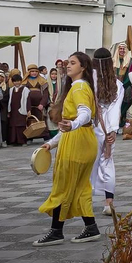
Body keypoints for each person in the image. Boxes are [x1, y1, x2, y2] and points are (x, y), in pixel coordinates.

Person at [32, 52, 102, 246]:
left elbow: (85, 114)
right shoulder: (83, 86)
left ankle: (56, 231)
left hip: (77, 142)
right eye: (67, 62)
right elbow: (73, 123)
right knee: (80, 187)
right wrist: (52, 143)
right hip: (84, 140)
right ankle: (91, 227)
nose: (68, 65)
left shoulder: (79, 87)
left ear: (83, 67)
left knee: (63, 185)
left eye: (73, 63)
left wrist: (73, 125)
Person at [88, 48, 124, 218]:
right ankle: (108, 203)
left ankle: (85, 200)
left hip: (91, 127)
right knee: (108, 162)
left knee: (89, 163)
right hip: (108, 128)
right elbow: (115, 110)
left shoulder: (88, 81)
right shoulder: (117, 84)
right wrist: (113, 131)